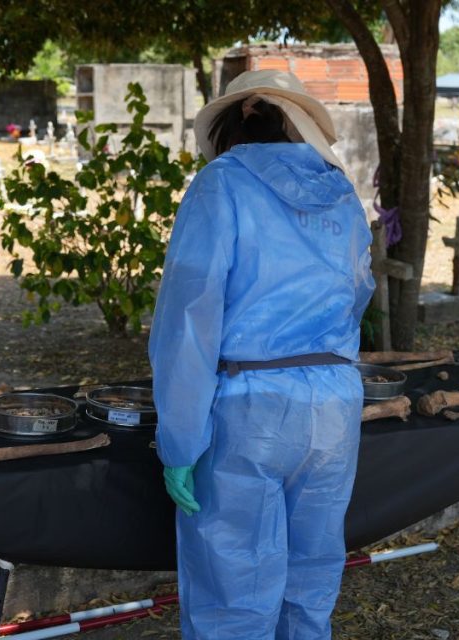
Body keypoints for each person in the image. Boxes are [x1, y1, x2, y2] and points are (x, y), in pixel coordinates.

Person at [149, 69, 375, 640]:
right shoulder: (341, 191)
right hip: (334, 408)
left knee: (233, 594)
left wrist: (179, 439)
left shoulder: (220, 183)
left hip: (249, 410)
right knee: (311, 583)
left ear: (235, 123)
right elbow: (356, 294)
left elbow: (189, 316)